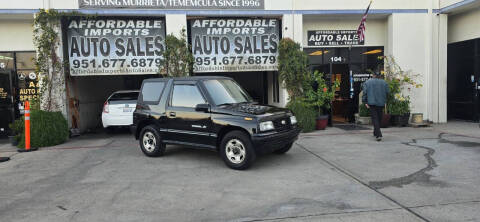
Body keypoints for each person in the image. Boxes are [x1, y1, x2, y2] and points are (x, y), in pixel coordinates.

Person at [362, 73, 389, 141]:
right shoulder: (384, 82)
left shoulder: (367, 82)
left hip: (372, 103)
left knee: (375, 118)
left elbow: (365, 92)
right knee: (379, 118)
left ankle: (378, 134)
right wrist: (385, 100)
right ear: (379, 76)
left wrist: (365, 102)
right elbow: (387, 92)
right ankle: (376, 132)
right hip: (381, 103)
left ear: (373, 75)